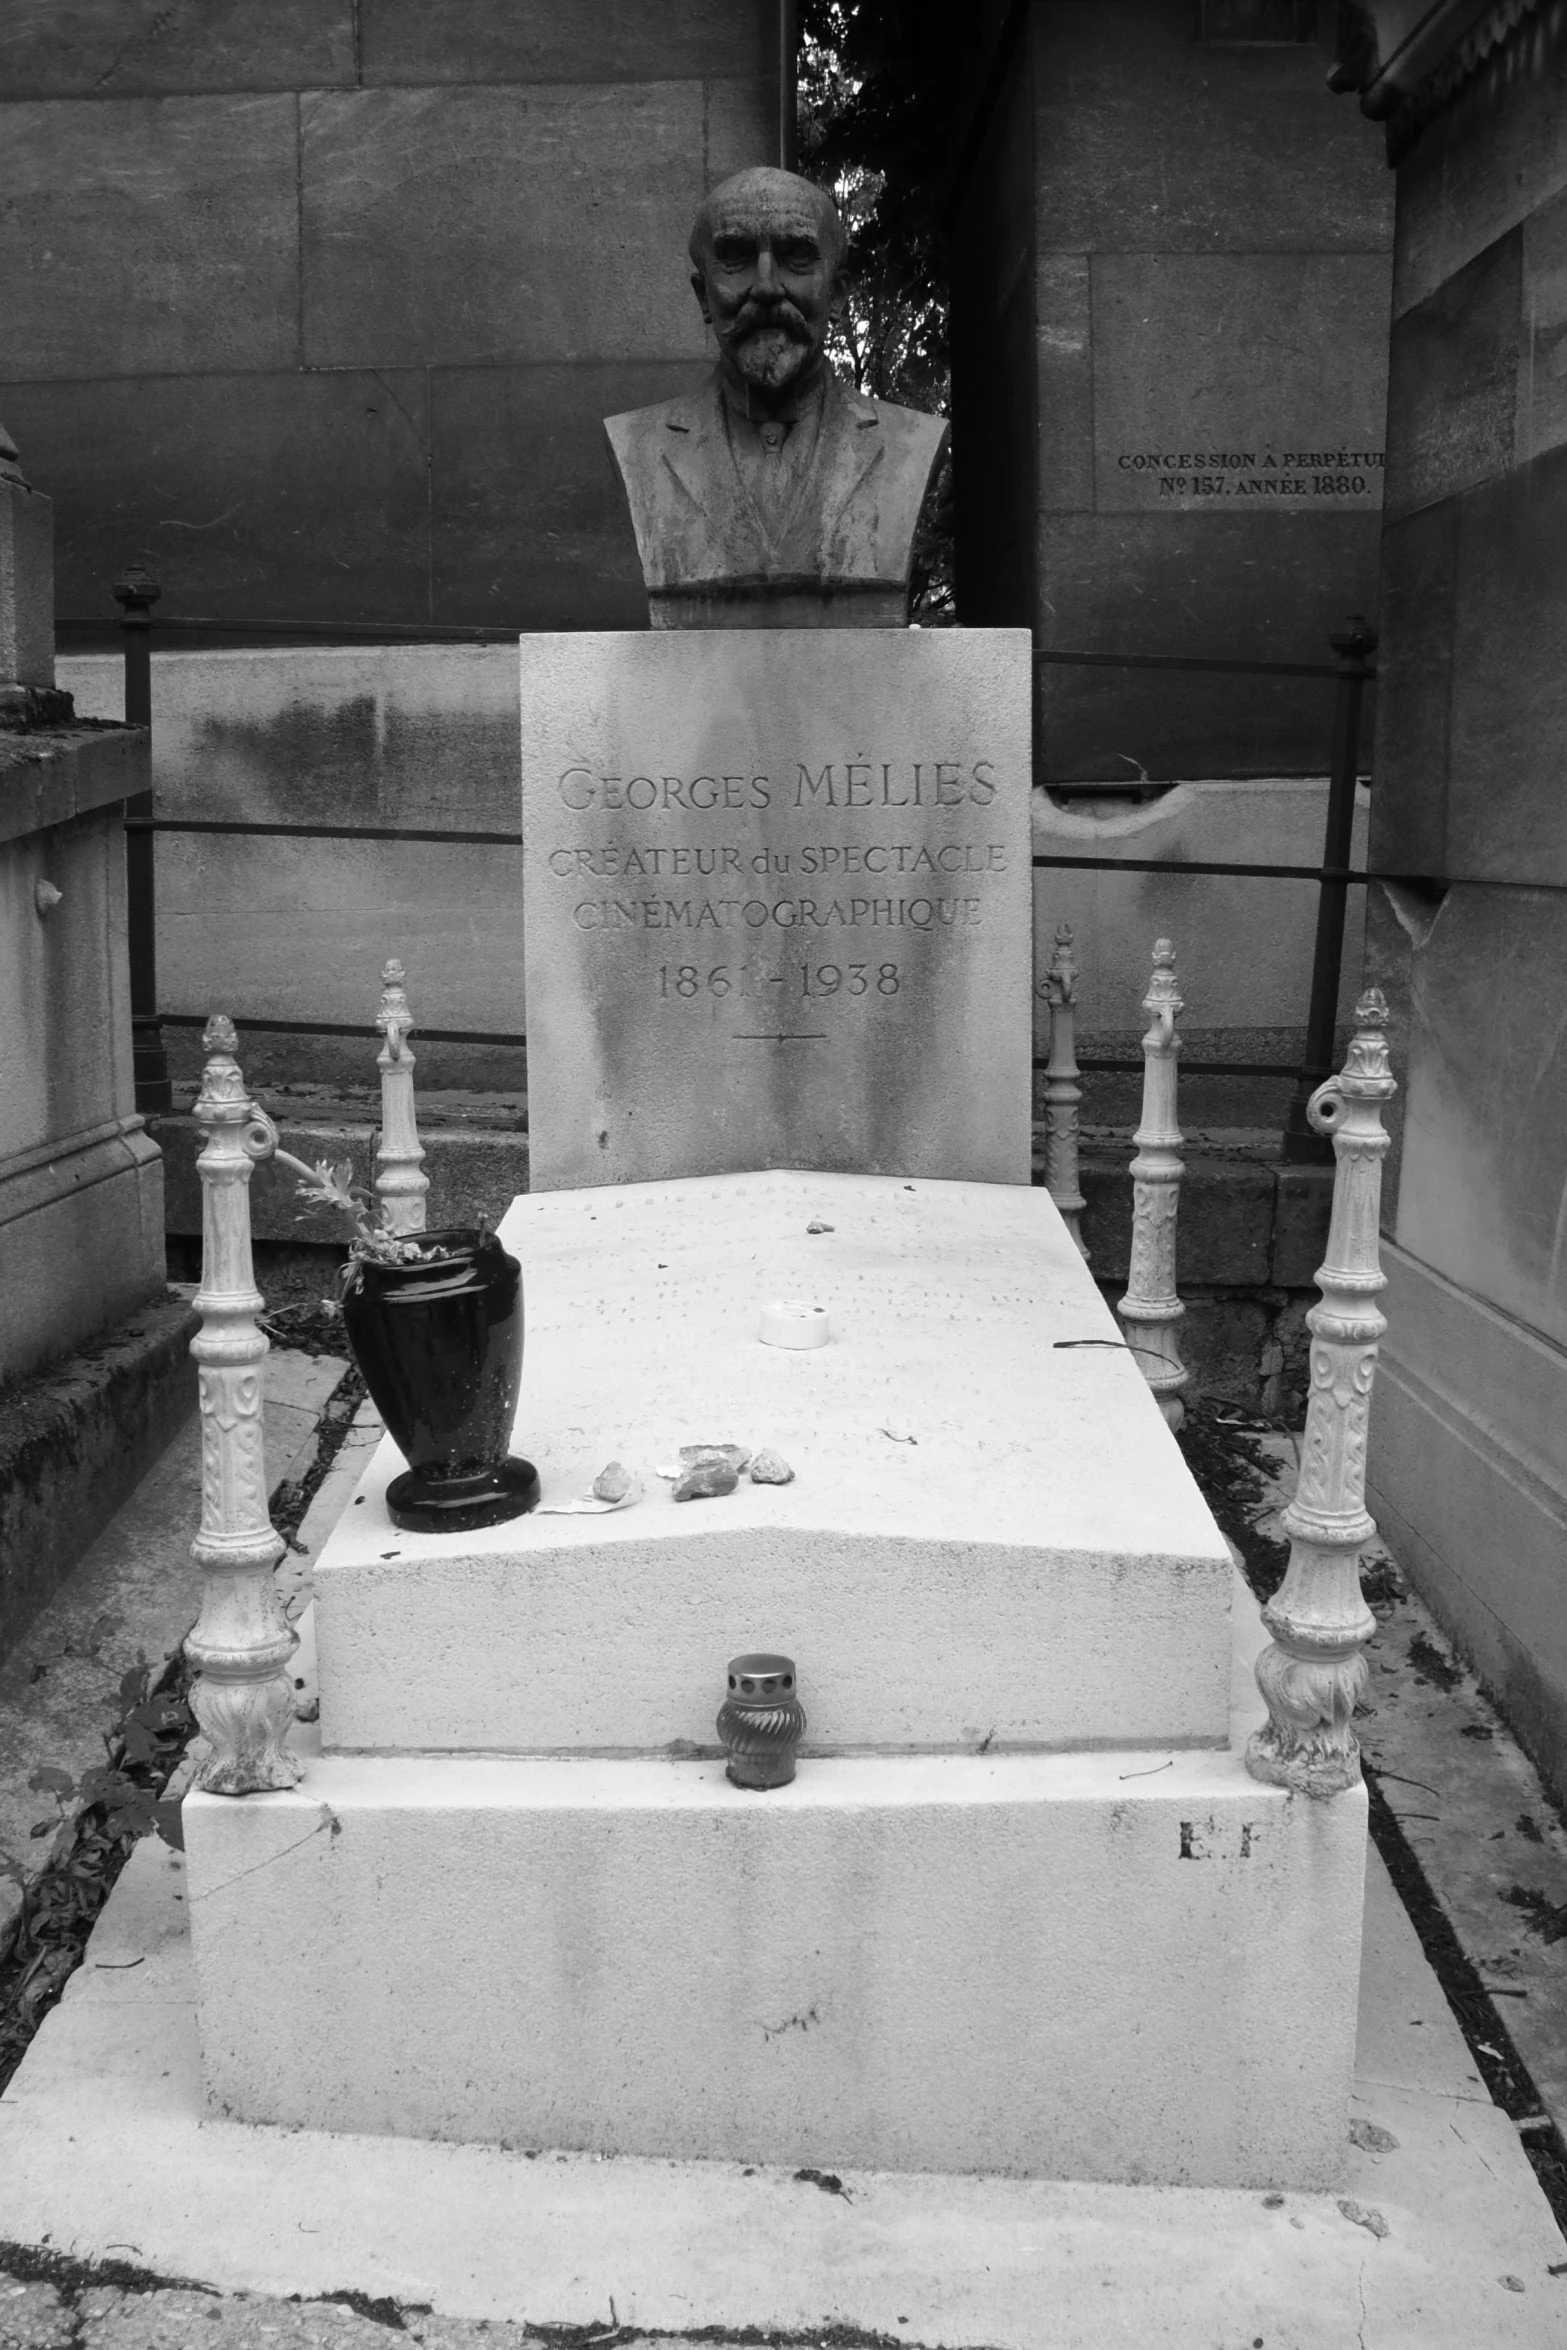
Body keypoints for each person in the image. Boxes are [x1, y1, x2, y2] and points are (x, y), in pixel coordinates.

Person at [605, 167, 948, 628]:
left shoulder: (911, 443)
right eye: (736, 258)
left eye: (796, 257)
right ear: (703, 296)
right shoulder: (639, 444)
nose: (766, 287)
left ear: (839, 293)